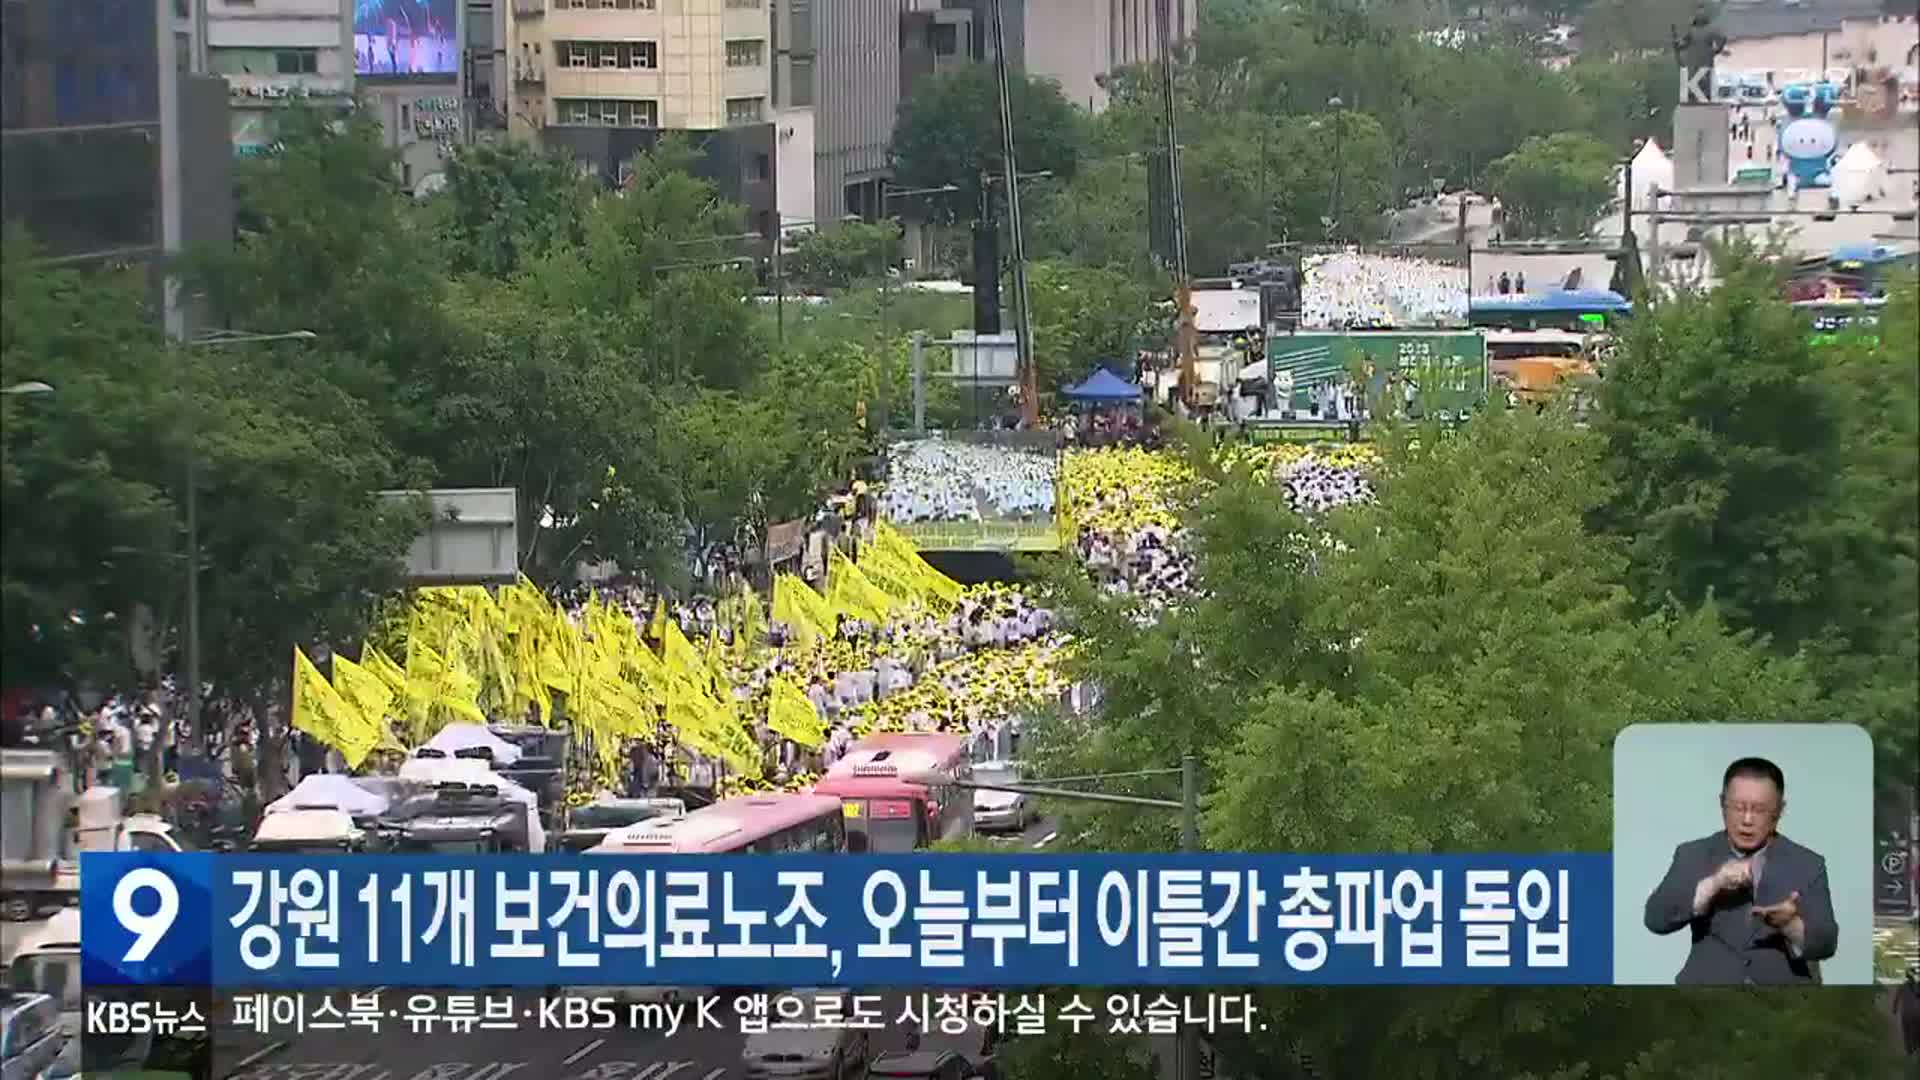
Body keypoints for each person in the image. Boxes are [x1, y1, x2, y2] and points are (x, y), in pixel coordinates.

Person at [1642, 757, 1838, 984]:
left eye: (1759, 810)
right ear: (1722, 804)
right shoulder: (1693, 854)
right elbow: (1656, 919)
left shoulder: (1808, 863)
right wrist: (1711, 885)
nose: (1746, 819)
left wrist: (1790, 925)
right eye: (1738, 807)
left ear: (1780, 811)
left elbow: (1827, 943)